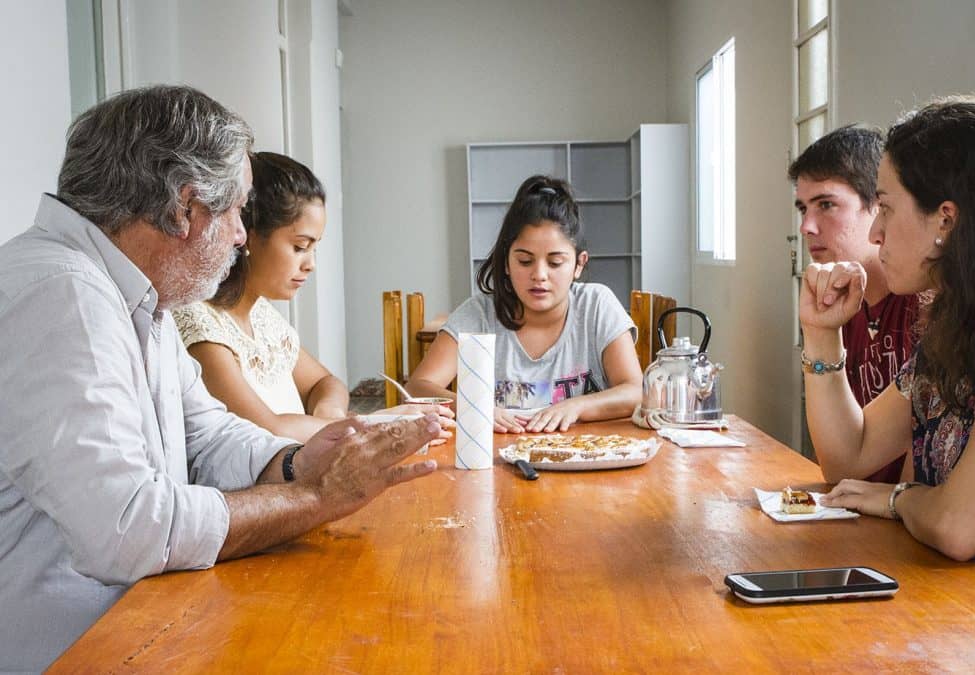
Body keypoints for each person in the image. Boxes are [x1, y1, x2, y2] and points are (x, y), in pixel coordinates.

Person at [0, 85, 443, 671]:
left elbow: (206, 434)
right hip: (69, 654)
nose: (240, 234)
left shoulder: (135, 294)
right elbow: (129, 530)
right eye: (235, 210)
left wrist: (296, 462)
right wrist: (315, 497)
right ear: (185, 208)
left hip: (141, 630)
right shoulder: (63, 295)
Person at [801, 96, 975, 620]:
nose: (876, 232)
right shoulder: (959, 329)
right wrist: (821, 334)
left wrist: (897, 498)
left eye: (885, 207)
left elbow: (960, 525)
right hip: (959, 617)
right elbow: (848, 456)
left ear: (945, 220)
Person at [172, 152, 451, 442]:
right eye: (300, 247)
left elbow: (325, 382)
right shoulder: (199, 325)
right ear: (248, 236)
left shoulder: (261, 316)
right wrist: (374, 421)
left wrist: (329, 412)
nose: (311, 264)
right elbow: (267, 431)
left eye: (314, 247)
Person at [406, 175, 642, 433]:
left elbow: (635, 391)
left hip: (587, 450)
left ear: (579, 264)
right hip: (499, 452)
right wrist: (474, 407)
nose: (539, 275)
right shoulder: (479, 314)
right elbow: (418, 387)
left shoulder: (597, 305)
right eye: (525, 261)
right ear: (506, 262)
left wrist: (576, 406)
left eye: (555, 263)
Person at [789, 125, 920, 481]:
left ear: (879, 206)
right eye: (803, 209)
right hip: (853, 500)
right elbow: (834, 460)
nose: (806, 227)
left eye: (826, 205)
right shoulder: (839, 301)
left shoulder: (926, 302)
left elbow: (926, 463)